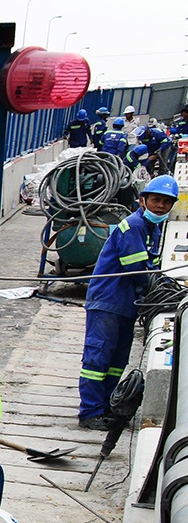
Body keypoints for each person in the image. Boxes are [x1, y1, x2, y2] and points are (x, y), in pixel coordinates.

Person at [79, 175, 176, 426]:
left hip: (125, 304)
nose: (161, 206)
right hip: (108, 301)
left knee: (116, 361)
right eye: (156, 200)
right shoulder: (134, 226)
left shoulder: (152, 228)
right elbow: (138, 271)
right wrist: (162, 290)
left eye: (167, 202)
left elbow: (151, 270)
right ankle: (89, 412)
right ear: (143, 201)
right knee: (98, 357)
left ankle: (106, 407)